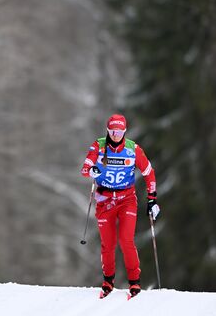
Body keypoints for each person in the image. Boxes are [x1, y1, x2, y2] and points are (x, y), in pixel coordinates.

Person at [81, 114, 160, 297]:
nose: (116, 135)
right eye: (112, 131)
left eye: (120, 132)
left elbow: (149, 172)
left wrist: (152, 199)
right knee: (108, 244)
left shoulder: (133, 149)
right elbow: (85, 169)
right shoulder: (98, 145)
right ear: (108, 131)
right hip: (104, 200)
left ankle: (134, 282)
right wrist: (92, 169)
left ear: (124, 131)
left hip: (126, 199)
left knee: (126, 240)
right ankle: (108, 281)